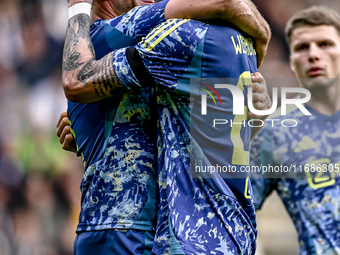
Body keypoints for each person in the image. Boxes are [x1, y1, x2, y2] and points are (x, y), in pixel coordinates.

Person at [60, 0, 271, 254]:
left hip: (153, 232)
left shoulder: (163, 44)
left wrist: (249, 119)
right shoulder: (116, 35)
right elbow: (225, 3)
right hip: (125, 233)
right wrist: (261, 35)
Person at [250, 6, 340, 255]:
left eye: (325, 44)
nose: (313, 55)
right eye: (302, 47)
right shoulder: (276, 136)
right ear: (291, 61)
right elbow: (237, 208)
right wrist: (248, 130)